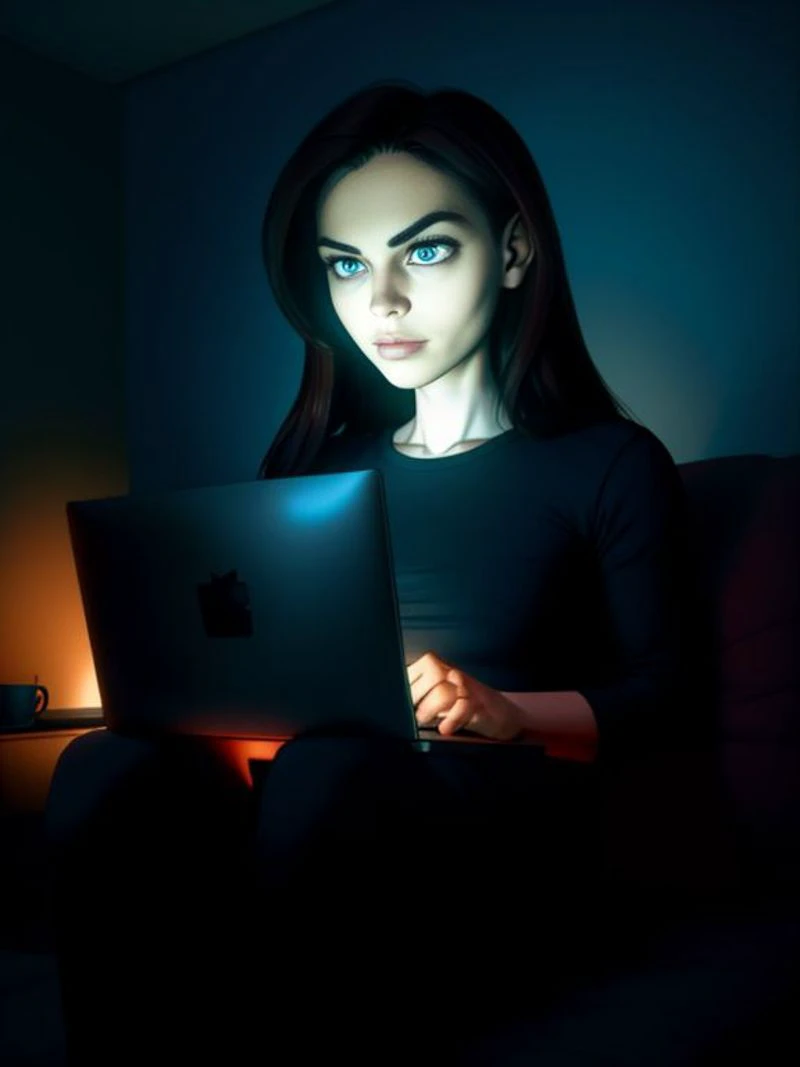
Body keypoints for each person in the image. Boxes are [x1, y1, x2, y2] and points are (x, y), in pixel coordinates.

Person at [46, 80, 708, 1066]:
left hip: (497, 820)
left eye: (425, 249)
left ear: (515, 247)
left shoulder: (606, 461)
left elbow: (670, 697)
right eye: (346, 265)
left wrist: (509, 708)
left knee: (329, 770)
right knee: (106, 764)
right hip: (309, 800)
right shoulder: (317, 467)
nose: (381, 302)